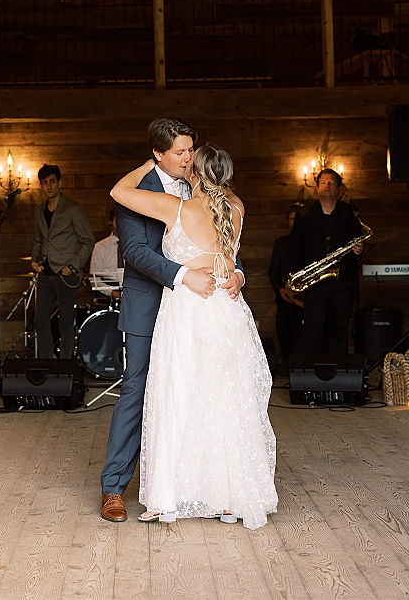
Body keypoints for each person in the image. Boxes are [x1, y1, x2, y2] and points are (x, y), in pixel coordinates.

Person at [109, 144, 277, 529]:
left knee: (177, 396)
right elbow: (228, 258)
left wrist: (150, 163)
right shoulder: (236, 207)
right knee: (225, 400)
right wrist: (238, 275)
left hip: (187, 308)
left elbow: (119, 192)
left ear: (195, 174)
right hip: (227, 310)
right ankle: (229, 499)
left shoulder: (176, 208)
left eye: (190, 159)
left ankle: (167, 498)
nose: (184, 161)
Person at [288, 169, 365, 354]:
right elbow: (295, 247)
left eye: (331, 183)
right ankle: (311, 369)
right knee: (313, 329)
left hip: (343, 282)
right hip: (315, 282)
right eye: (323, 183)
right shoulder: (304, 214)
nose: (327, 186)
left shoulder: (350, 213)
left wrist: (359, 249)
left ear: (338, 188)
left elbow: (358, 241)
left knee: (339, 329)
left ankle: (338, 369)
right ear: (317, 188)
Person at [31, 164, 94, 359]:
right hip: (46, 272)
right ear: (40, 185)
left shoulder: (73, 208)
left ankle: (65, 366)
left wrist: (72, 267)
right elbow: (39, 239)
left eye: (52, 181)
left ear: (59, 182)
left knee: (66, 321)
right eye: (44, 182)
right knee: (40, 320)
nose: (48, 186)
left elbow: (88, 242)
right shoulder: (39, 209)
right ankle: (47, 364)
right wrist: (34, 260)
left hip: (66, 274)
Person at [268, 203, 304, 372]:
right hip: (287, 295)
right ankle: (286, 363)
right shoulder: (280, 244)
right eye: (291, 219)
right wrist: (280, 290)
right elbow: (273, 271)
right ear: (288, 222)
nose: (295, 222)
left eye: (298, 219)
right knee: (283, 322)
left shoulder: (313, 243)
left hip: (311, 297)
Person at [89, 208, 123, 300]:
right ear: (110, 222)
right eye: (118, 220)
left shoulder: (134, 246)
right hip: (108, 290)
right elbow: (94, 278)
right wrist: (110, 291)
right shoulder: (101, 247)